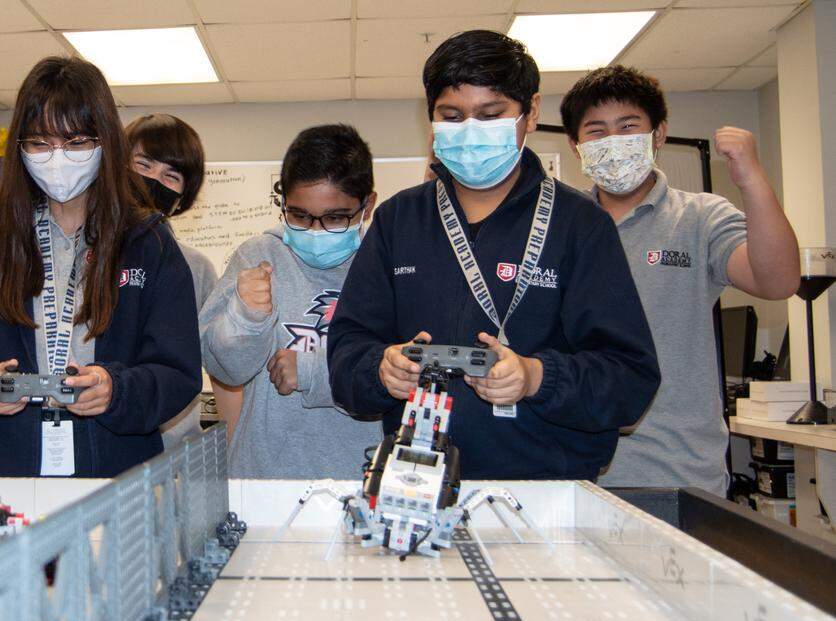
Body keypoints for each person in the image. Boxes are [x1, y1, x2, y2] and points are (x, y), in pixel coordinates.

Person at [327, 30, 661, 480]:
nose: (470, 131)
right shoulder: (398, 220)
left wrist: (536, 377)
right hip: (418, 481)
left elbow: (629, 379)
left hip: (545, 486)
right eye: (451, 116)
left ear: (531, 112)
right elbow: (346, 352)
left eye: (490, 115)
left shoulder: (580, 224)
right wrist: (380, 370)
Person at [0, 56, 201, 477]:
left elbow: (177, 371)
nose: (57, 158)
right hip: (8, 471)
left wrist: (117, 390)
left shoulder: (147, 242)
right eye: (40, 144)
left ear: (106, 142)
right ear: (19, 148)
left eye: (76, 143)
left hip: (116, 474)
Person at [560, 66, 800, 495]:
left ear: (658, 134)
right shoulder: (558, 224)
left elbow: (778, 281)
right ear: (576, 147)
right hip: (570, 467)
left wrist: (750, 177)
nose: (613, 141)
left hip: (677, 471)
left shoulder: (700, 218)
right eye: (596, 131)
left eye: (628, 127)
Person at [200, 124, 383, 479]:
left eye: (335, 218)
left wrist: (314, 371)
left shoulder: (384, 265)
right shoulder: (256, 256)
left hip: (359, 478)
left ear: (367, 205)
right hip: (265, 477)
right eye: (299, 216)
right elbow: (225, 371)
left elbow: (398, 371)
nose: (315, 231)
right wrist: (244, 318)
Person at [123, 113, 242, 445]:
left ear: (183, 195)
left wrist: (235, 446)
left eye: (171, 175)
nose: (152, 181)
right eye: (143, 165)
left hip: (174, 450)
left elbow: (221, 364)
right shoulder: (83, 253)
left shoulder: (195, 268)